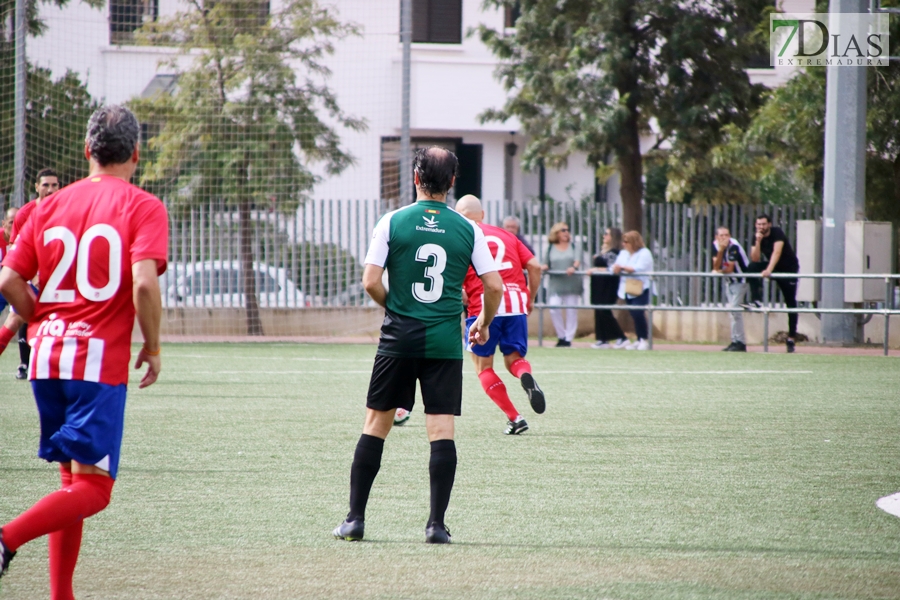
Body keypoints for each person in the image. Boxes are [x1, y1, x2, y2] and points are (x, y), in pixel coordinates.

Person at [0, 105, 169, 596]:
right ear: (136, 153)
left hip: (46, 359)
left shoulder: (46, 207)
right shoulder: (142, 206)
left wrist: (43, 321)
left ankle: (61, 594)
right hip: (95, 363)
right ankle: (6, 540)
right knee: (94, 491)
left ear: (86, 151)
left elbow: (9, 279)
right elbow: (142, 285)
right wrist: (154, 346)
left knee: (71, 485)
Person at [333, 147, 502, 545]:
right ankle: (435, 526)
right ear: (452, 182)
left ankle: (355, 521)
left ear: (415, 177)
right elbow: (493, 286)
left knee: (376, 425)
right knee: (441, 429)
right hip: (444, 341)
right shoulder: (468, 229)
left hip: (398, 339)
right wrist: (482, 321)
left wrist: (398, 308)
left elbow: (371, 281)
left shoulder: (392, 221)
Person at [457, 195, 545, 435]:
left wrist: (462, 290)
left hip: (483, 306)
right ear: (482, 214)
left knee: (483, 367)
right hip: (515, 303)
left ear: (458, 216)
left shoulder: (461, 235)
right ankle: (526, 375)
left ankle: (515, 418)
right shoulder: (507, 235)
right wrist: (530, 296)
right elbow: (535, 266)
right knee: (514, 359)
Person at [0, 168, 60, 379]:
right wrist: (32, 276)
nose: (50, 190)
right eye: (45, 185)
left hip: (60, 280)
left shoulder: (66, 210)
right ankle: (26, 364)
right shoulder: (24, 214)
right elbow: (15, 252)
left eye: (54, 185)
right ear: (36, 187)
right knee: (16, 317)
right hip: (32, 278)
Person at [746, 214, 800, 353]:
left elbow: (777, 252)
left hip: (788, 268)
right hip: (773, 267)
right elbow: (755, 258)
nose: (761, 227)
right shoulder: (756, 236)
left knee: (790, 302)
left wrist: (768, 270)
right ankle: (756, 299)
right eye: (758, 224)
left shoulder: (777, 233)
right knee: (752, 267)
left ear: (769, 224)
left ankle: (791, 337)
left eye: (764, 224)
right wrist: (758, 242)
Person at [541, 222, 582, 347]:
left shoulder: (574, 246)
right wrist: (544, 267)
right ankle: (561, 336)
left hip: (571, 283)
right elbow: (546, 263)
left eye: (567, 230)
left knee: (571, 310)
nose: (566, 232)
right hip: (556, 283)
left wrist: (573, 267)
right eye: (563, 230)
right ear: (557, 232)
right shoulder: (550, 248)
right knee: (554, 307)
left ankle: (568, 338)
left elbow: (577, 261)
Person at [611, 231, 653, 351]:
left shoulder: (645, 253)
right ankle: (639, 338)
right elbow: (616, 265)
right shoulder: (624, 253)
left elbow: (637, 268)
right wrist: (614, 269)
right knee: (633, 314)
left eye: (626, 242)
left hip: (641, 287)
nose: (624, 244)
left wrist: (622, 268)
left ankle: (644, 339)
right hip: (627, 288)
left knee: (638, 312)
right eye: (623, 242)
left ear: (634, 242)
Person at [587, 227, 626, 349]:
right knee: (598, 310)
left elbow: (612, 268)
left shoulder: (614, 252)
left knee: (605, 311)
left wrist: (596, 269)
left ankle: (621, 337)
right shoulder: (605, 251)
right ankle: (602, 339)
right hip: (598, 284)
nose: (604, 236)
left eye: (607, 234)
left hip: (608, 285)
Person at [711, 226, 749, 352]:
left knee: (734, 311)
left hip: (741, 281)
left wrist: (718, 270)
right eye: (721, 235)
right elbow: (715, 266)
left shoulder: (734, 246)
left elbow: (729, 269)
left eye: (727, 235)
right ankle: (735, 341)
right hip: (729, 282)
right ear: (716, 237)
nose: (724, 238)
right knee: (732, 312)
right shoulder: (715, 245)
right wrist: (720, 251)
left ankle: (740, 342)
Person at [0, 208, 17, 317]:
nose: (15, 226)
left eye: (18, 222)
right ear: (4, 224)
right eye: (11, 222)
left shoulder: (26, 238)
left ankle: (24, 334)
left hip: (18, 285)